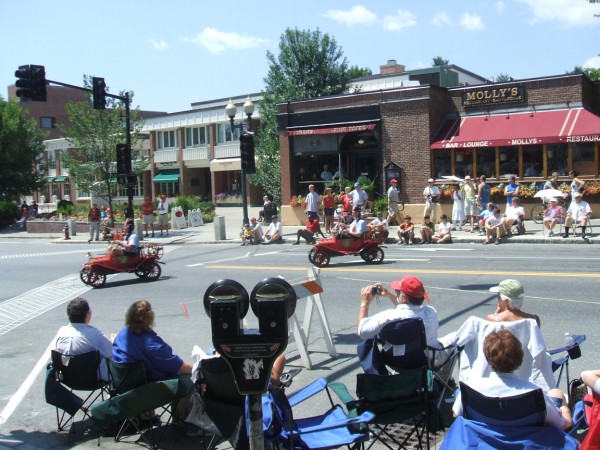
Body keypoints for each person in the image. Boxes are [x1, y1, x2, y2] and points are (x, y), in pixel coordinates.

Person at [452, 329, 573, 431]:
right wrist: (565, 409)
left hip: (484, 443)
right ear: (520, 359)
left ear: (488, 359)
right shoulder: (535, 394)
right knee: (556, 393)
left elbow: (456, 413)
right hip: (525, 444)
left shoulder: (471, 388)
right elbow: (563, 425)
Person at [112, 300, 193, 382]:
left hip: (121, 382)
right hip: (144, 386)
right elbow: (179, 366)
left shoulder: (123, 333)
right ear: (149, 317)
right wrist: (198, 368)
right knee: (190, 379)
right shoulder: (152, 345)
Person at [53, 297, 113, 381]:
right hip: (92, 379)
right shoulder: (94, 334)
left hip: (68, 378)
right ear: (88, 314)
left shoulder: (61, 332)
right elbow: (111, 353)